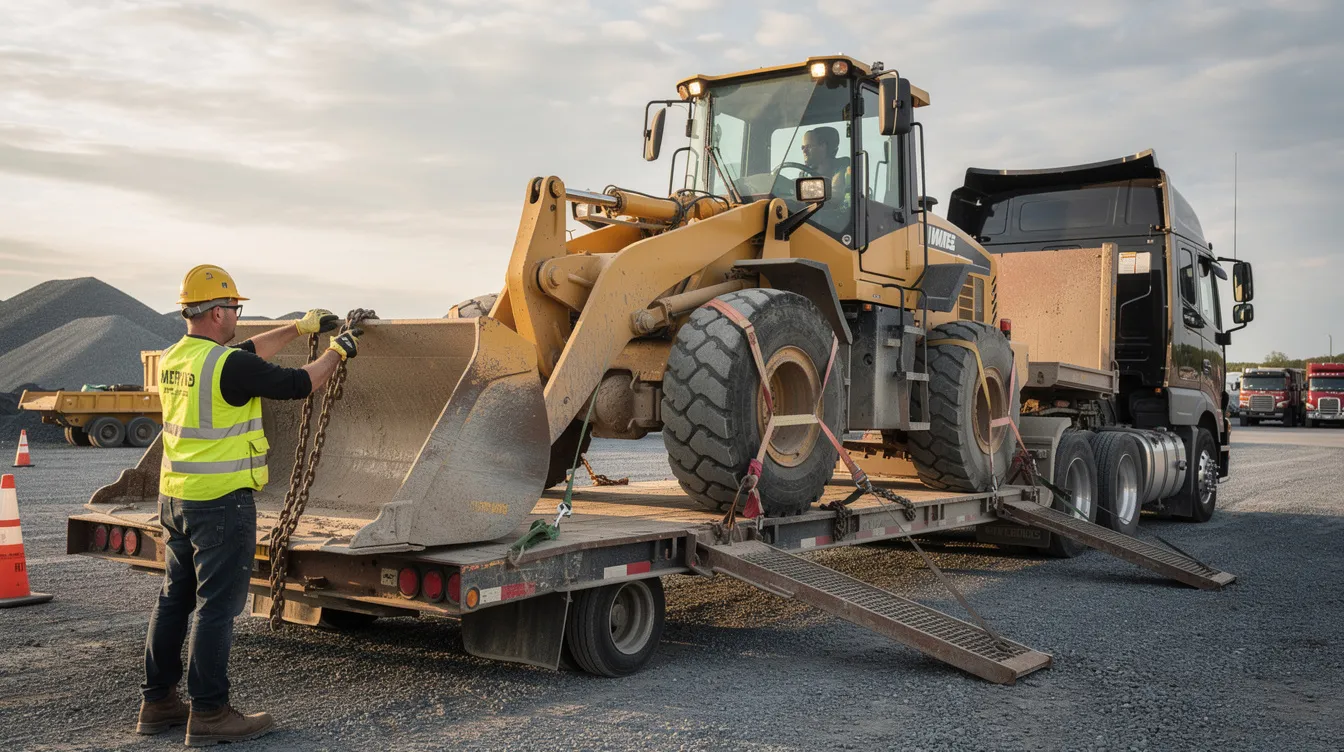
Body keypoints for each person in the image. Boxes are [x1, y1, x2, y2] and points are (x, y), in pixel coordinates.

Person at [135, 264, 361, 746]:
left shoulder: (179, 357)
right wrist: (338, 352)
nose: (238, 316)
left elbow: (245, 353)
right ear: (217, 312)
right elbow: (300, 384)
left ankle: (157, 703)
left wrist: (298, 327)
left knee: (175, 598)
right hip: (220, 504)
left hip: (175, 500)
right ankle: (212, 713)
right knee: (216, 607)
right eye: (235, 308)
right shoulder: (226, 366)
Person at [800, 125, 851, 198]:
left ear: (823, 146)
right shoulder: (805, 174)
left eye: (809, 147)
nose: (804, 151)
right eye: (803, 147)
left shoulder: (843, 170)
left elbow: (835, 197)